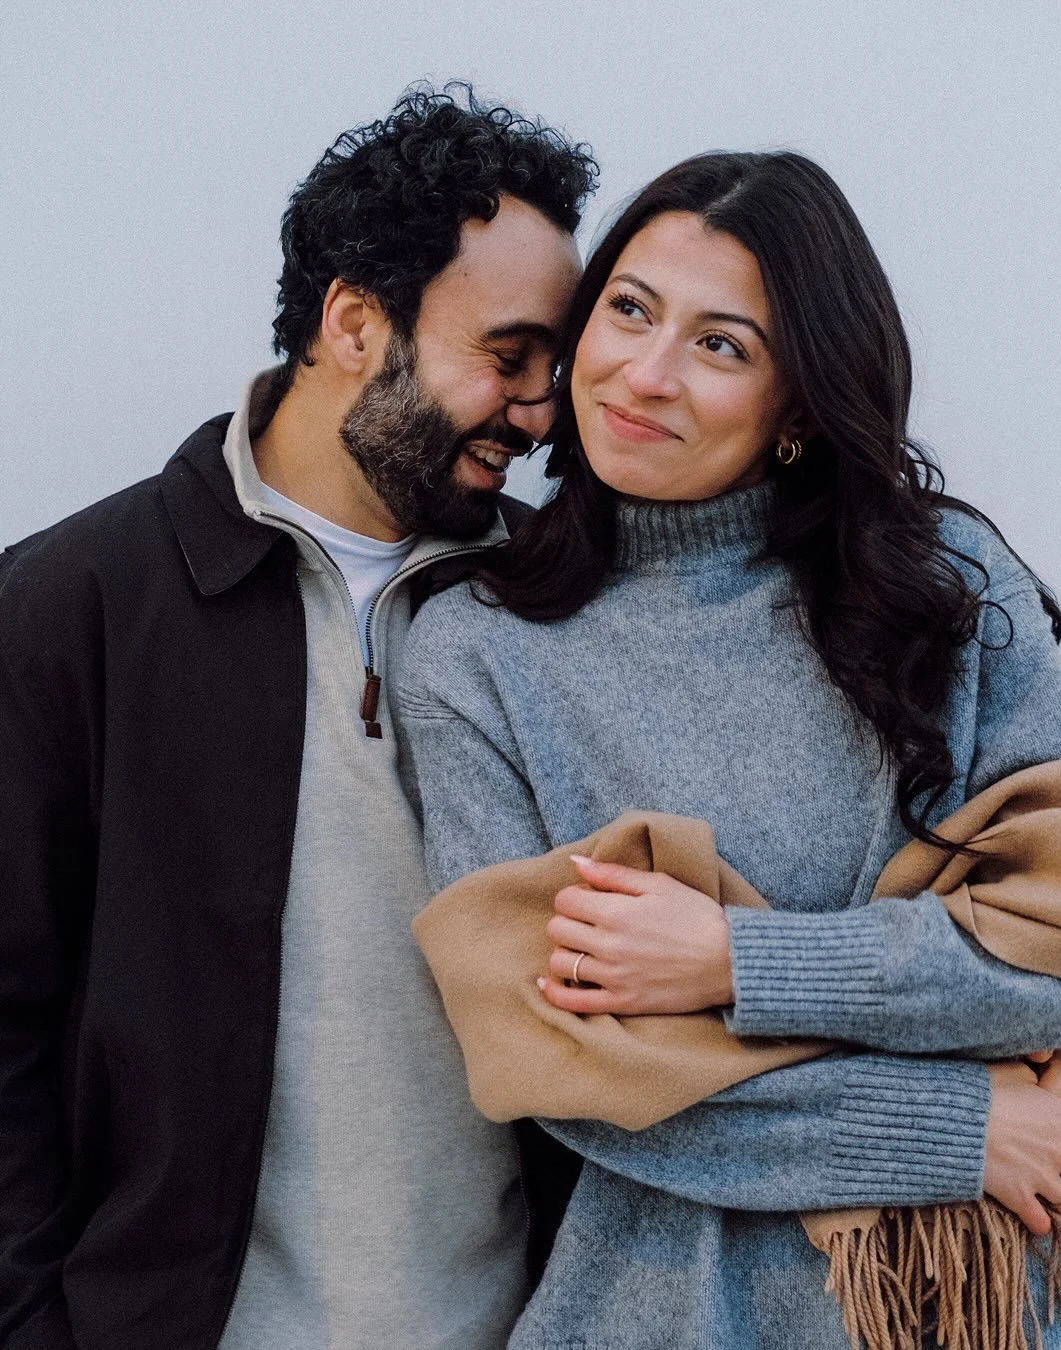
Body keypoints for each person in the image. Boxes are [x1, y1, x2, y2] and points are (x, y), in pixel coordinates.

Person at [396, 150, 1061, 1348]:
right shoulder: (477, 649)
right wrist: (955, 1125)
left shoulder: (954, 591)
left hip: (962, 1311)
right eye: (629, 310)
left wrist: (739, 966)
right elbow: (555, 1064)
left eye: (723, 345)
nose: (643, 376)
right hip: (657, 1314)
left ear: (801, 406)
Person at [0, 86, 595, 1349]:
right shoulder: (73, 602)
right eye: (508, 357)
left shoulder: (567, 603)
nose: (544, 416)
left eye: (556, 367)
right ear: (353, 321)